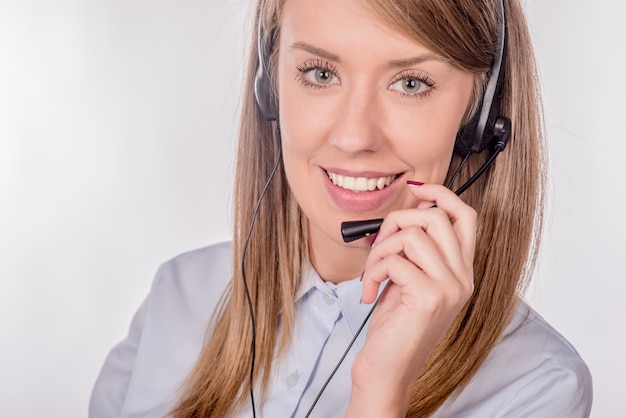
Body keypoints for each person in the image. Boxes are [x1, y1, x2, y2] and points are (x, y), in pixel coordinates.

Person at [90, 0, 593, 416]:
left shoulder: (537, 385)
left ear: (480, 119)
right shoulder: (176, 300)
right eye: (319, 72)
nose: (354, 137)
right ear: (271, 88)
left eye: (411, 83)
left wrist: (380, 391)